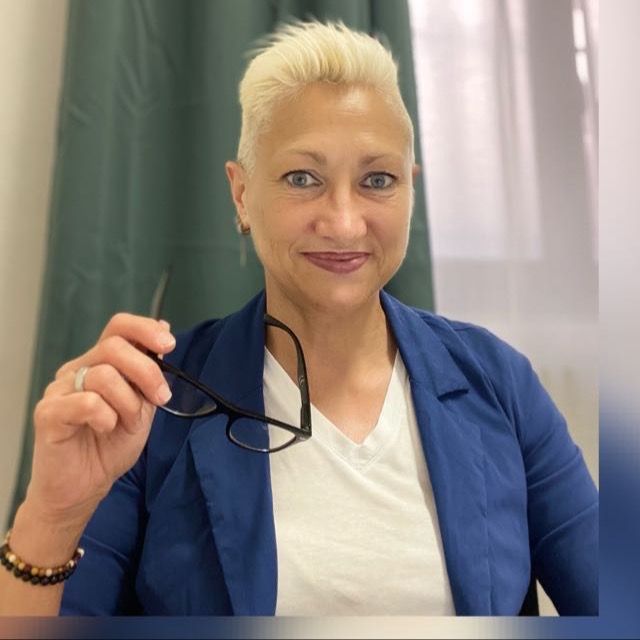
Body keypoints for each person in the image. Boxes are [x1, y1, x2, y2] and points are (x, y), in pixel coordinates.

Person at [0, 20, 597, 616]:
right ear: (241, 195)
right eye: (302, 178)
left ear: (409, 192)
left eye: (378, 180)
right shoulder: (153, 403)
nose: (343, 222)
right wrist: (52, 516)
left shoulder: (498, 382)